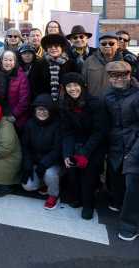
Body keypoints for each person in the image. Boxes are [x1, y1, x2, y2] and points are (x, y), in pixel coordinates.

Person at [60, 72, 107, 220]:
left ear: (82, 86)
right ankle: (78, 197)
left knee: (88, 173)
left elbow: (100, 132)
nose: (72, 89)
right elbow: (67, 132)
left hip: (95, 144)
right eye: (69, 86)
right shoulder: (65, 105)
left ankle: (88, 204)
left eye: (75, 85)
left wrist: (84, 153)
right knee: (72, 169)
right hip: (77, 142)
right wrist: (67, 153)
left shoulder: (95, 103)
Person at [103, 61, 139, 241]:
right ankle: (117, 201)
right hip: (115, 143)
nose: (117, 79)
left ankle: (130, 225)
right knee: (115, 174)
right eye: (113, 76)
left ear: (129, 75)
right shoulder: (108, 95)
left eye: (122, 75)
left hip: (134, 143)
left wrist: (133, 149)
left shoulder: (137, 95)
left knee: (133, 183)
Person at [21, 94, 62, 210]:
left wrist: (44, 164)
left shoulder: (57, 124)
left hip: (53, 163)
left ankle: (54, 194)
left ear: (51, 111)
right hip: (36, 162)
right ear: (35, 110)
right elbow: (25, 146)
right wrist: (27, 163)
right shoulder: (30, 124)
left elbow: (57, 149)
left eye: (45, 109)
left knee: (50, 174)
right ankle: (44, 184)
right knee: (28, 186)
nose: (42, 112)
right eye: (39, 109)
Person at [82, 32, 123, 97]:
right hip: (93, 102)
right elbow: (83, 83)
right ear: (100, 46)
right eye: (103, 44)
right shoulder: (89, 61)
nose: (107, 46)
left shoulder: (123, 63)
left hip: (114, 103)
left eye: (111, 43)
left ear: (117, 45)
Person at [0, 50, 30, 129]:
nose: (8, 63)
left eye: (10, 60)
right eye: (5, 60)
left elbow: (24, 100)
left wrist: (14, 115)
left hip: (15, 117)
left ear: (15, 62)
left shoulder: (22, 77)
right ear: (1, 61)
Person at [40, 34, 77, 102]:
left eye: (56, 46)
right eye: (50, 46)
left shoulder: (71, 63)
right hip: (45, 102)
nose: (53, 48)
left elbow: (75, 83)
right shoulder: (40, 63)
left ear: (61, 48)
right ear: (46, 49)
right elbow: (34, 84)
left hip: (67, 101)